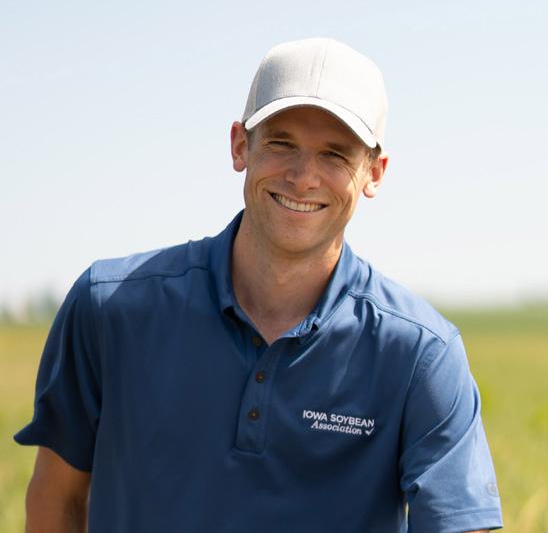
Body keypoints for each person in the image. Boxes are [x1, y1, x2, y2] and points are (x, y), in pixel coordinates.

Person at [15, 37, 503, 532]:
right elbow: (58, 498)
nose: (303, 177)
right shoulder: (109, 307)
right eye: (281, 143)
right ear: (239, 145)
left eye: (335, 155)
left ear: (374, 173)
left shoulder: (421, 355)